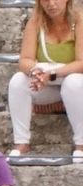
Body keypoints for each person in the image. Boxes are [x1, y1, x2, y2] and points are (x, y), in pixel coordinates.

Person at [8, 0, 83, 160]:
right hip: (47, 83)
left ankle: (81, 144)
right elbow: (25, 60)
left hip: (74, 83)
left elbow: (81, 63)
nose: (51, 4)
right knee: (18, 81)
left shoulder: (79, 21)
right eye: (46, 0)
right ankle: (21, 142)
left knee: (73, 82)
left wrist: (52, 73)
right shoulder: (35, 23)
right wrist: (36, 72)